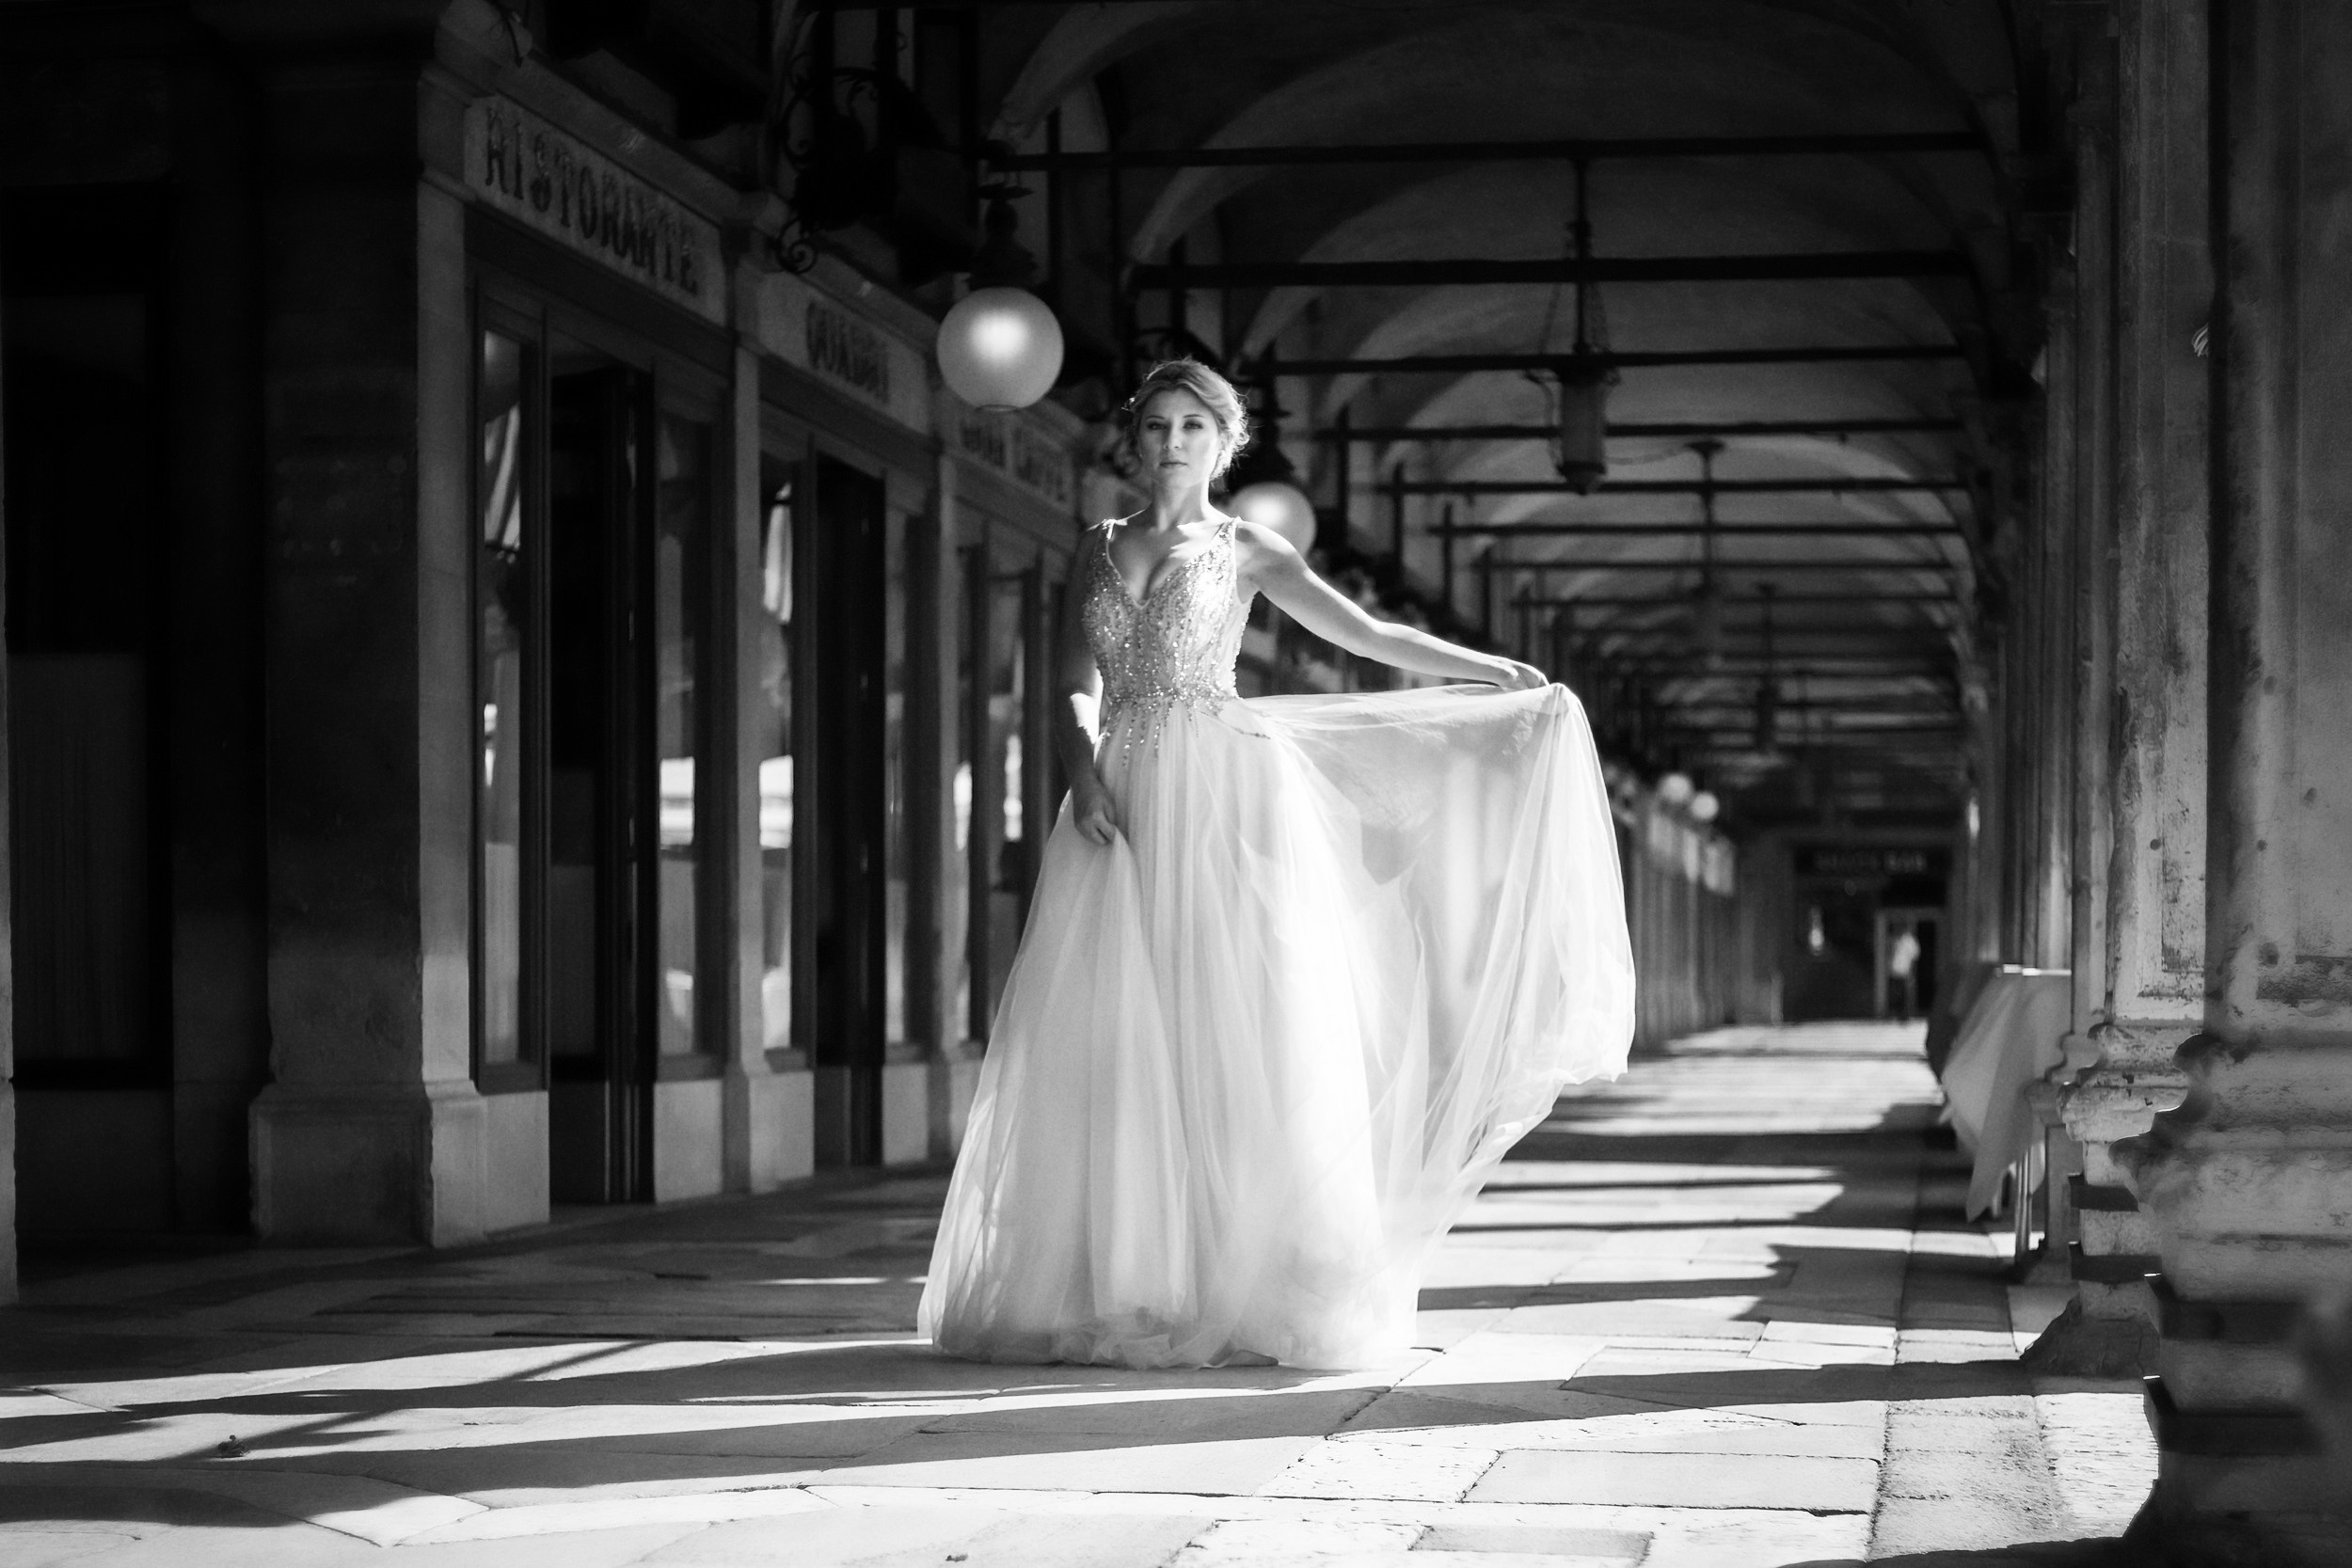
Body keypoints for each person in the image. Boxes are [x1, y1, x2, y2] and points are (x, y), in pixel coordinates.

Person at [918, 359, 1636, 1370]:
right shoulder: (1096, 545)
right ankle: (1121, 1271)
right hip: (1116, 791)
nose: (1173, 442)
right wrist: (1081, 771)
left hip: (1220, 786)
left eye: (1193, 426)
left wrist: (1477, 666)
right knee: (1119, 1026)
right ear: (1135, 438)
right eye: (1158, 424)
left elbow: (1362, 630)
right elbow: (1074, 679)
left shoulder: (1246, 545)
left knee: (1229, 1017)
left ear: (1225, 442)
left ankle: (1253, 1273)